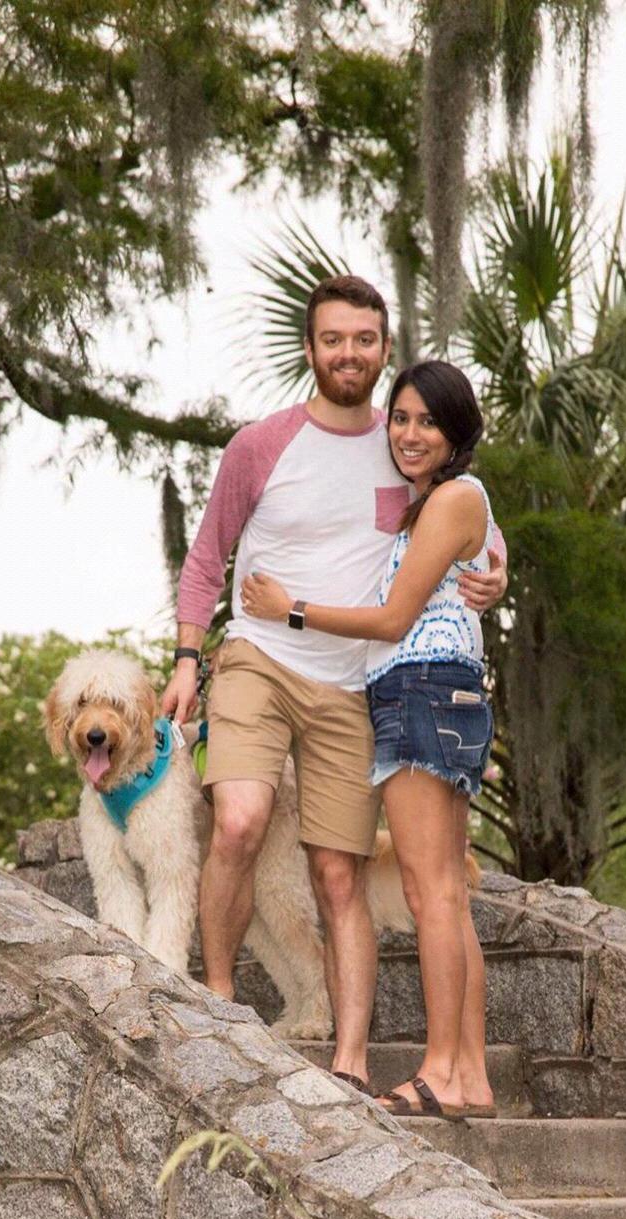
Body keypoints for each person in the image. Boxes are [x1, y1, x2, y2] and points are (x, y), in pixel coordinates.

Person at [165, 275, 505, 1094]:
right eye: (332, 339)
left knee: (350, 875)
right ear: (310, 347)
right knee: (240, 820)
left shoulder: (406, 457)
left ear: (383, 348)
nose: (347, 353)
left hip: (365, 685)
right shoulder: (263, 444)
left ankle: (354, 1061)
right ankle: (216, 999)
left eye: (363, 340)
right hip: (258, 655)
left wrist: (495, 572)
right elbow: (208, 554)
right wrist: (185, 657)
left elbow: (473, 531)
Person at [238, 359, 495, 1120]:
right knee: (444, 892)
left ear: (458, 433)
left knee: (432, 893)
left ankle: (444, 1071)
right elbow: (486, 566)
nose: (412, 434)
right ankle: (471, 1078)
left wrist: (290, 611)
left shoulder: (454, 497)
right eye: (403, 418)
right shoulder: (435, 505)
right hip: (425, 691)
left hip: (423, 688)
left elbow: (391, 621)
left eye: (429, 422)